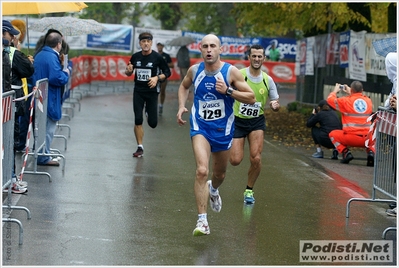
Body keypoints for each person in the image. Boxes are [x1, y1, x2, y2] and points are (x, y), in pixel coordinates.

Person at [176, 34, 256, 236]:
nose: (209, 50)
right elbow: (184, 86)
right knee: (202, 170)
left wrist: (228, 91)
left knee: (219, 174)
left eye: (213, 46)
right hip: (200, 126)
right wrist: (180, 106)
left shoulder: (231, 72)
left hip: (223, 130)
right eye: (205, 46)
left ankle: (213, 189)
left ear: (221, 49)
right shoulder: (195, 71)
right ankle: (202, 221)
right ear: (200, 50)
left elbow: (251, 97)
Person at [229, 44, 280, 204]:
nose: (257, 59)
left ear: (264, 58)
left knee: (256, 158)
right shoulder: (240, 75)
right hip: (238, 120)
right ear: (249, 57)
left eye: (260, 56)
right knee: (235, 160)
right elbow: (227, 92)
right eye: (254, 56)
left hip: (257, 121)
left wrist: (274, 105)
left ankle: (249, 191)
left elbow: (275, 100)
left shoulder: (267, 79)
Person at [125, 32, 171, 157]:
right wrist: (128, 71)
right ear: (140, 43)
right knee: (138, 119)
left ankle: (148, 111)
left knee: (152, 123)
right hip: (138, 91)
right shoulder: (135, 57)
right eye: (143, 41)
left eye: (148, 42)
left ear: (151, 43)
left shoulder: (157, 58)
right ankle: (140, 147)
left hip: (152, 93)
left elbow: (167, 72)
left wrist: (157, 78)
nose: (145, 44)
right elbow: (128, 71)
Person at [32, 31, 70, 166]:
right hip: (50, 97)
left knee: (42, 127)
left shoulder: (40, 54)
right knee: (48, 129)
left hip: (40, 97)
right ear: (59, 44)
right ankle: (43, 156)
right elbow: (56, 78)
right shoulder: (51, 56)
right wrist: (65, 72)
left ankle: (41, 152)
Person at [327, 81, 373, 166]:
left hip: (351, 137)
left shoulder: (345, 101)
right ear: (362, 90)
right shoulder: (368, 101)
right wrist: (351, 93)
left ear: (351, 90)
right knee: (375, 138)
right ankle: (371, 153)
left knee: (332, 134)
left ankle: (345, 153)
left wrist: (335, 91)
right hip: (367, 139)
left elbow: (330, 100)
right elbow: (359, 99)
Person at [156, 42, 174, 115]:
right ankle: (154, 106)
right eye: (158, 46)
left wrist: (165, 63)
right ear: (157, 47)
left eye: (161, 46)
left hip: (164, 75)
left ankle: (161, 105)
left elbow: (172, 65)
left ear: (163, 47)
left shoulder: (166, 56)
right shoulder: (154, 55)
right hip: (156, 76)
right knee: (155, 92)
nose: (159, 47)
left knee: (162, 91)